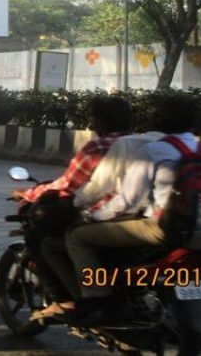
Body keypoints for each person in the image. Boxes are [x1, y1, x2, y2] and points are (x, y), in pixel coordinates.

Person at [59, 93, 201, 324]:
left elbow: (128, 200)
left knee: (77, 237)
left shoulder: (155, 151)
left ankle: (98, 299)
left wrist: (93, 216)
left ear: (156, 120)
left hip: (163, 229)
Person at [13, 95, 135, 321]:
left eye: (94, 119)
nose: (90, 125)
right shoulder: (141, 144)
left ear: (101, 122)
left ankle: (67, 301)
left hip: (103, 213)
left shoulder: (97, 147)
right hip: (139, 216)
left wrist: (29, 194)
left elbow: (70, 185)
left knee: (43, 241)